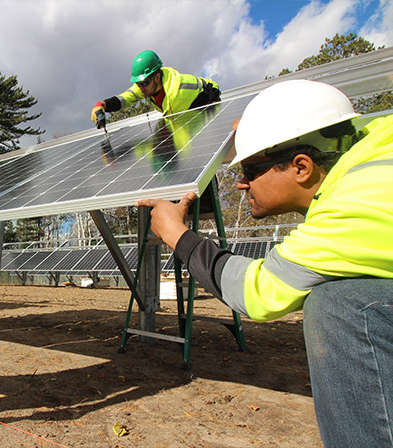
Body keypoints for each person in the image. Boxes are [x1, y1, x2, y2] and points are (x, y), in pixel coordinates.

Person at [135, 79, 393, 447]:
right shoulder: (374, 142)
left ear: (302, 166)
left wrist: (177, 235)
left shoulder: (355, 210)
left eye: (250, 171)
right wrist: (257, 134)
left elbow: (258, 291)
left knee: (338, 306)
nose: (240, 184)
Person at [91, 50, 221, 126]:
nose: (140, 88)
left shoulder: (176, 94)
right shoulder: (148, 85)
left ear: (157, 77)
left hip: (200, 112)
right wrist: (103, 105)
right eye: (138, 84)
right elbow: (126, 98)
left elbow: (181, 139)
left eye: (144, 84)